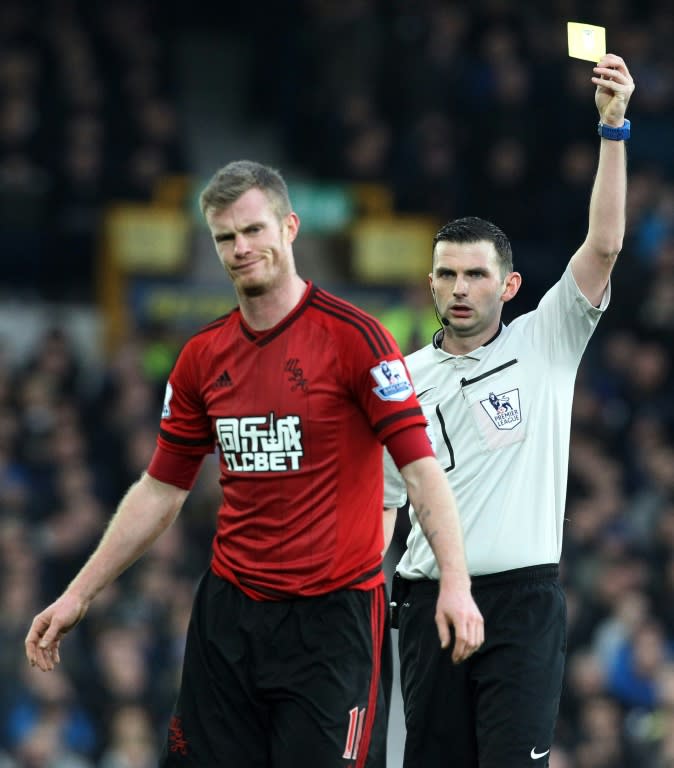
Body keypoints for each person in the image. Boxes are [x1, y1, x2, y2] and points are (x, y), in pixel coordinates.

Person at [25, 160, 484, 768]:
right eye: (225, 237)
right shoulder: (199, 358)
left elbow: (422, 472)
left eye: (254, 230)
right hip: (230, 616)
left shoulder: (358, 339)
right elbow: (161, 490)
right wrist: (78, 594)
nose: (241, 248)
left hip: (333, 620)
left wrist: (455, 581)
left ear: (288, 227)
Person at [383, 53, 635, 767]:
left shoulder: (547, 338)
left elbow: (606, 243)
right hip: (427, 602)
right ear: (430, 284)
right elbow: (383, 499)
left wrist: (612, 132)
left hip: (523, 604)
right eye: (446, 274)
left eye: (476, 275)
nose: (460, 288)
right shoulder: (403, 378)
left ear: (510, 284)